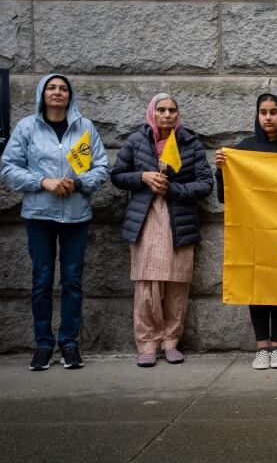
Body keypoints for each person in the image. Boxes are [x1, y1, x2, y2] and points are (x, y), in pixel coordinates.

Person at [1, 74, 109, 371]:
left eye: (63, 88)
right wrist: (42, 182)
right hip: (40, 216)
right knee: (41, 281)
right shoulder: (27, 127)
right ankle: (43, 346)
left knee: (72, 281)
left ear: (69, 95)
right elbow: (9, 168)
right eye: (51, 88)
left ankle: (69, 344)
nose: (57, 92)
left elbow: (101, 167)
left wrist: (78, 183)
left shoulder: (84, 127)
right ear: (42, 93)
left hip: (76, 216)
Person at [111, 94, 213, 367]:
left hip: (179, 220)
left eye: (172, 110)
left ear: (178, 115)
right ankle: (147, 343)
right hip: (145, 220)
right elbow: (117, 175)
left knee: (177, 283)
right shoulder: (136, 141)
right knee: (147, 284)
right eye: (161, 110)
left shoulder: (190, 143)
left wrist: (174, 188)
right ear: (152, 113)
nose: (167, 115)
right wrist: (142, 177)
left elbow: (205, 183)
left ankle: (170, 341)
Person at [215, 93, 277, 370]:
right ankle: (261, 347)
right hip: (253, 231)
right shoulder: (244, 149)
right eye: (263, 112)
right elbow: (225, 197)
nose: (268, 117)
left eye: (274, 112)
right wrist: (222, 170)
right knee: (256, 286)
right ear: (257, 116)